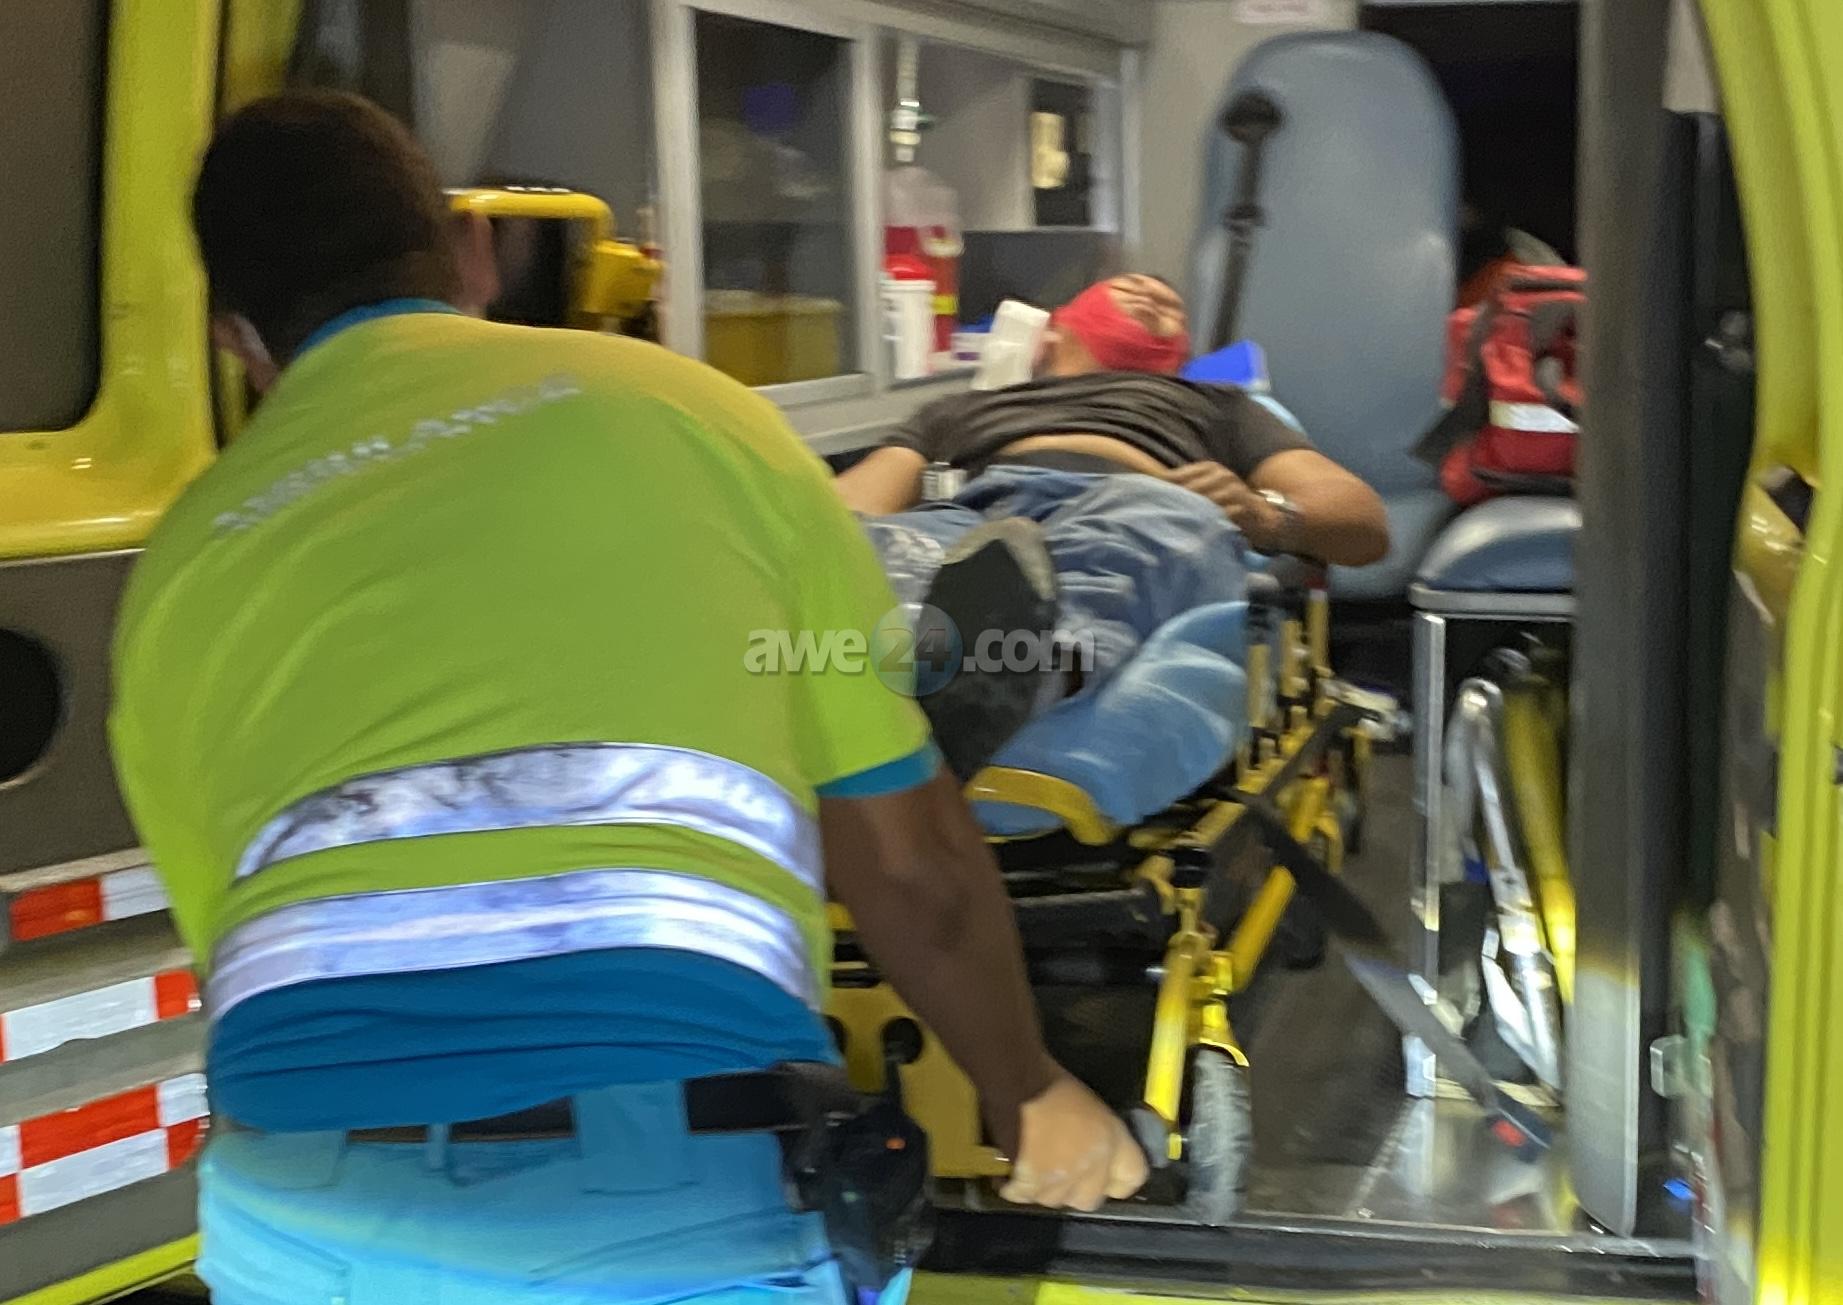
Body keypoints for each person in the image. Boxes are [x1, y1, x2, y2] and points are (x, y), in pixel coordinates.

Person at [109, 91, 1144, 1305]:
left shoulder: (172, 576)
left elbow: (258, 944)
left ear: (235, 338)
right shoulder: (684, 411)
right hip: (653, 1198)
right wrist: (1026, 1088)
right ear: (472, 251)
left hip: (289, 1219)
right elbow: (910, 866)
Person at [837, 275, 1390, 777]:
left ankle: (1010, 682)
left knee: (1167, 525)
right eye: (1127, 288)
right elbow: (850, 511)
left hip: (1142, 497)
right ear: (1054, 329)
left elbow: (1361, 519)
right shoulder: (957, 409)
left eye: (1170, 306)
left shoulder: (1218, 405)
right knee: (894, 547)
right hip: (978, 518)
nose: (1154, 293)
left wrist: (1265, 514)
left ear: (1180, 356)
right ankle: (917, 664)